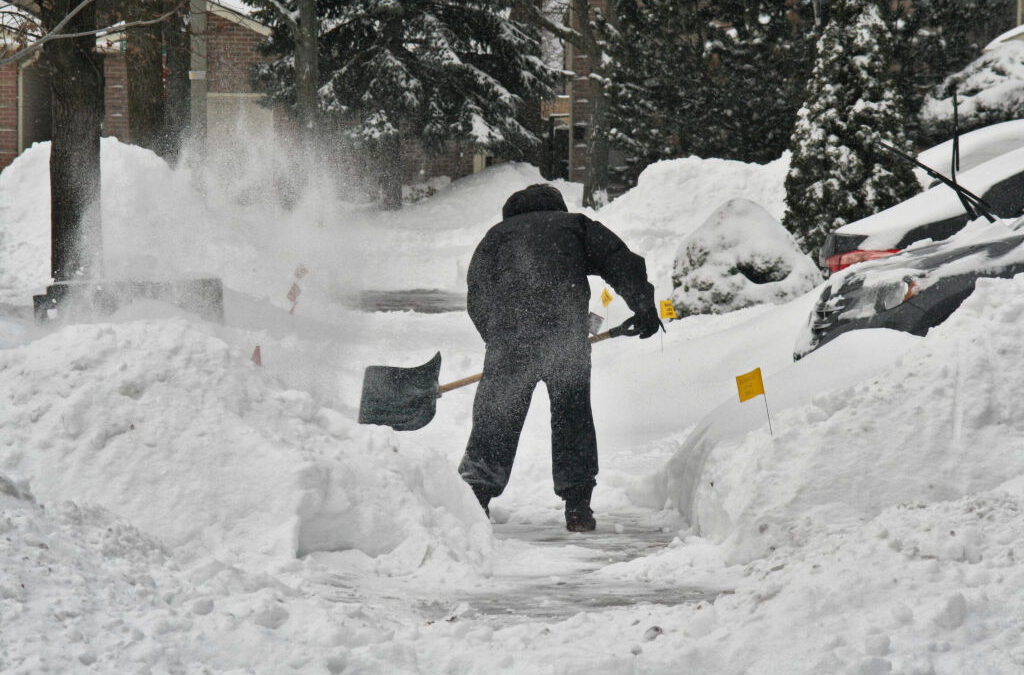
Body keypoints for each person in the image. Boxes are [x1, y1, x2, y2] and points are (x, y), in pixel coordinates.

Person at [458, 183, 661, 532]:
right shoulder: (573, 226)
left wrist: (497, 338)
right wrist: (642, 304)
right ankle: (578, 507)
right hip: (564, 337)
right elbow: (618, 259)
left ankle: (476, 500)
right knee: (572, 416)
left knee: (497, 415)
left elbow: (477, 293)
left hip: (511, 341)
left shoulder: (496, 236)